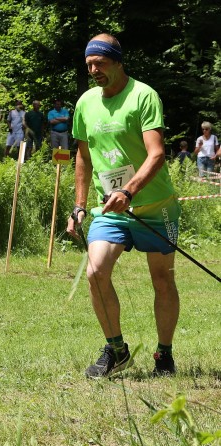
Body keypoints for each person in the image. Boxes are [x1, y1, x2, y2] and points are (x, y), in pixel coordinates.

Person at [66, 33, 180, 378]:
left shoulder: (143, 96)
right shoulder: (86, 102)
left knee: (162, 280)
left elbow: (157, 153)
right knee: (96, 272)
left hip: (156, 207)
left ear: (117, 61)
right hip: (111, 210)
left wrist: (129, 191)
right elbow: (83, 158)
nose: (93, 69)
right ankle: (116, 350)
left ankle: (164, 354)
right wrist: (80, 205)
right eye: (89, 64)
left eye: (99, 62)